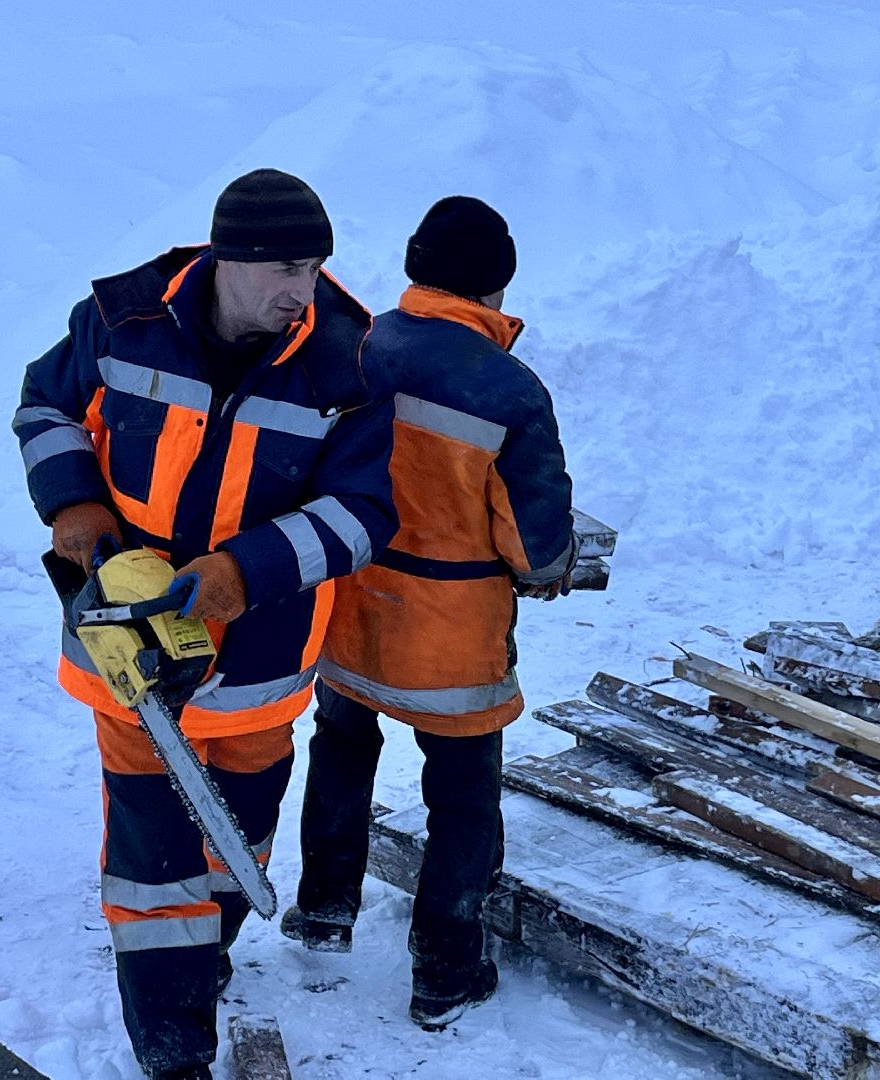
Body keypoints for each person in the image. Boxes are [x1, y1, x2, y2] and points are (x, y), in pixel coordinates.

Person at [12, 168, 397, 1080]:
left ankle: (208, 949)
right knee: (154, 857)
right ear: (230, 259)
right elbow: (44, 406)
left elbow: (363, 514)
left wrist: (243, 571)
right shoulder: (124, 321)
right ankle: (172, 1041)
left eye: (315, 269)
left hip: (261, 658)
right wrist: (73, 502)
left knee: (239, 833)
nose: (303, 291)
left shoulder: (347, 362)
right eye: (286, 270)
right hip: (133, 654)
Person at [281, 196, 577, 1029]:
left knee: (341, 747)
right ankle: (445, 972)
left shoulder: (359, 345)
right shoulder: (509, 390)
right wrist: (549, 569)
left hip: (351, 605)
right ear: (494, 284)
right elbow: (534, 541)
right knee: (462, 793)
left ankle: (324, 911)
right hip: (452, 630)